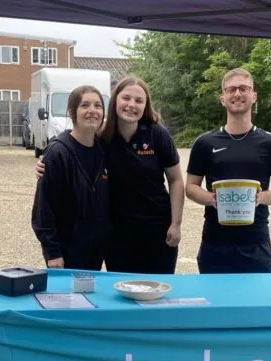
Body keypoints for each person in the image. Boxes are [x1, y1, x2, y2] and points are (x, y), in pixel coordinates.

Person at [36, 76, 185, 274]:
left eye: (139, 101)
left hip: (157, 230)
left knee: (157, 292)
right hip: (117, 234)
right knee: (122, 290)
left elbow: (175, 180)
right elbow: (73, 139)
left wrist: (176, 224)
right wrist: (47, 157)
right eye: (126, 98)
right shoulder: (103, 135)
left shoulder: (157, 134)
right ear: (115, 100)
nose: (132, 105)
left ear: (146, 105)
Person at [185, 68, 271, 274]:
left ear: (254, 96)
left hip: (256, 244)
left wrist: (260, 198)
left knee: (260, 304)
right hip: (215, 244)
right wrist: (210, 199)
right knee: (215, 304)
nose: (237, 94)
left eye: (244, 88)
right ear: (222, 98)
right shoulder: (205, 143)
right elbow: (190, 187)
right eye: (231, 89)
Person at [31, 85, 112, 271]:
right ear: (72, 112)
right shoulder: (58, 153)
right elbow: (43, 208)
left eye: (98, 106)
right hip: (66, 253)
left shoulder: (103, 151)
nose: (92, 110)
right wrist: (53, 253)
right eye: (85, 105)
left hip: (95, 252)